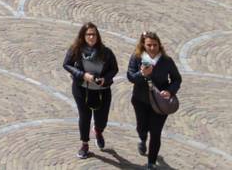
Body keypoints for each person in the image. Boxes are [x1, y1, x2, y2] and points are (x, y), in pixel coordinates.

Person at [125, 32, 181, 167]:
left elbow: (176, 79)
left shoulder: (166, 61)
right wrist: (142, 74)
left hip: (160, 103)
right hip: (140, 100)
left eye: (155, 45)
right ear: (143, 45)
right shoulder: (137, 58)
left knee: (155, 132)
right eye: (149, 45)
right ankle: (142, 139)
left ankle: (151, 162)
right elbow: (130, 76)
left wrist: (169, 91)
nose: (152, 48)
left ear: (159, 45)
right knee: (141, 127)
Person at [63, 22, 118, 159]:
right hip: (82, 89)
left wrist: (105, 78)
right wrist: (82, 75)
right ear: (83, 36)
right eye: (88, 34)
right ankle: (84, 144)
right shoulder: (76, 49)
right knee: (85, 117)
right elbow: (66, 64)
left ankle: (98, 131)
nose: (91, 37)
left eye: (94, 34)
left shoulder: (106, 52)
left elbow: (114, 69)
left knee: (102, 119)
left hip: (102, 90)